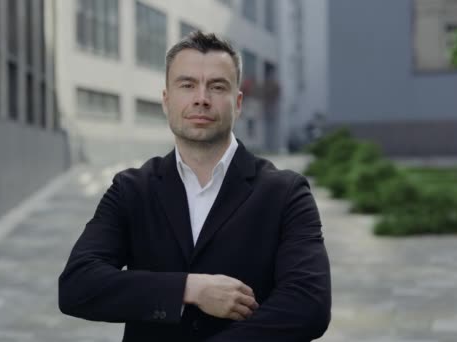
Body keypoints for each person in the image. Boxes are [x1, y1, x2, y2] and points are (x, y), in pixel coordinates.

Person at [58, 31, 331, 342]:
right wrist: (190, 289)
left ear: (237, 103)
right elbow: (77, 285)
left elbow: (309, 305)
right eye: (187, 85)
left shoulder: (286, 193)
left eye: (217, 86)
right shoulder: (131, 190)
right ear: (166, 100)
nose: (201, 98)